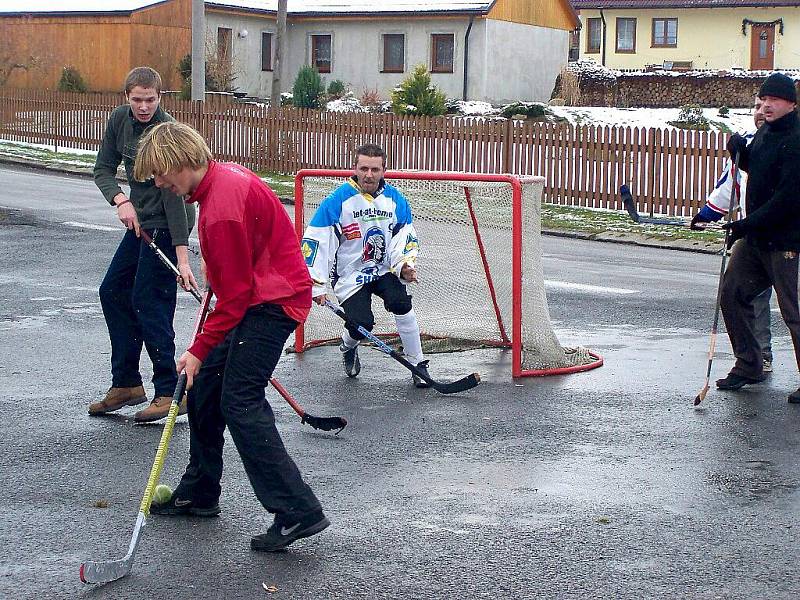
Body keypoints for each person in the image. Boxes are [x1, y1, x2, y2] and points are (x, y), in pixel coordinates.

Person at [134, 122, 329, 552]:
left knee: (239, 399)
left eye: (162, 173)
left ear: (181, 161)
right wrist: (218, 273)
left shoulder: (220, 206)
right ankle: (200, 491)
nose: (161, 183)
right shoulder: (221, 180)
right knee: (203, 388)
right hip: (258, 294)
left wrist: (198, 347)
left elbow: (238, 296)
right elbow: (235, 275)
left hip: (272, 302)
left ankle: (297, 509)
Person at [88, 67, 197, 422]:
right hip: (140, 221)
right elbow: (103, 168)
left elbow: (175, 200)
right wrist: (121, 199)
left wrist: (182, 257)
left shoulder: (167, 133)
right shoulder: (119, 120)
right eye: (137, 99)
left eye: (150, 99)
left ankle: (168, 392)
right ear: (126, 97)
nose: (144, 106)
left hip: (169, 222)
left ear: (160, 98)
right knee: (113, 291)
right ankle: (126, 384)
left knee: (150, 300)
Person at [301, 143, 431, 387]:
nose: (368, 175)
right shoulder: (337, 201)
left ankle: (418, 364)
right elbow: (317, 240)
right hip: (350, 273)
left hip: (383, 269)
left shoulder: (396, 200)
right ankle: (348, 346)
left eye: (374, 169)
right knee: (362, 324)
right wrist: (316, 284)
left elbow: (403, 236)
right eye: (363, 169)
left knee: (401, 303)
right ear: (355, 168)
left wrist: (404, 264)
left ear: (384, 170)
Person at [717, 72, 800, 402]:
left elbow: (787, 198)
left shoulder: (796, 139)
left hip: (785, 242)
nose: (765, 105)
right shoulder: (765, 132)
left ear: (791, 105)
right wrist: (739, 152)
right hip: (756, 240)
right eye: (763, 100)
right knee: (732, 293)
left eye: (774, 101)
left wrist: (745, 225)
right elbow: (762, 171)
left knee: (793, 312)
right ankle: (750, 364)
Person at [691, 96, 774, 373]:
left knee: (791, 306)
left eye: (768, 106)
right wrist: (708, 214)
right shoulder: (747, 141)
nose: (761, 113)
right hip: (752, 234)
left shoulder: (790, 141)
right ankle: (757, 357)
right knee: (745, 293)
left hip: (786, 237)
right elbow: (732, 185)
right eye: (757, 107)